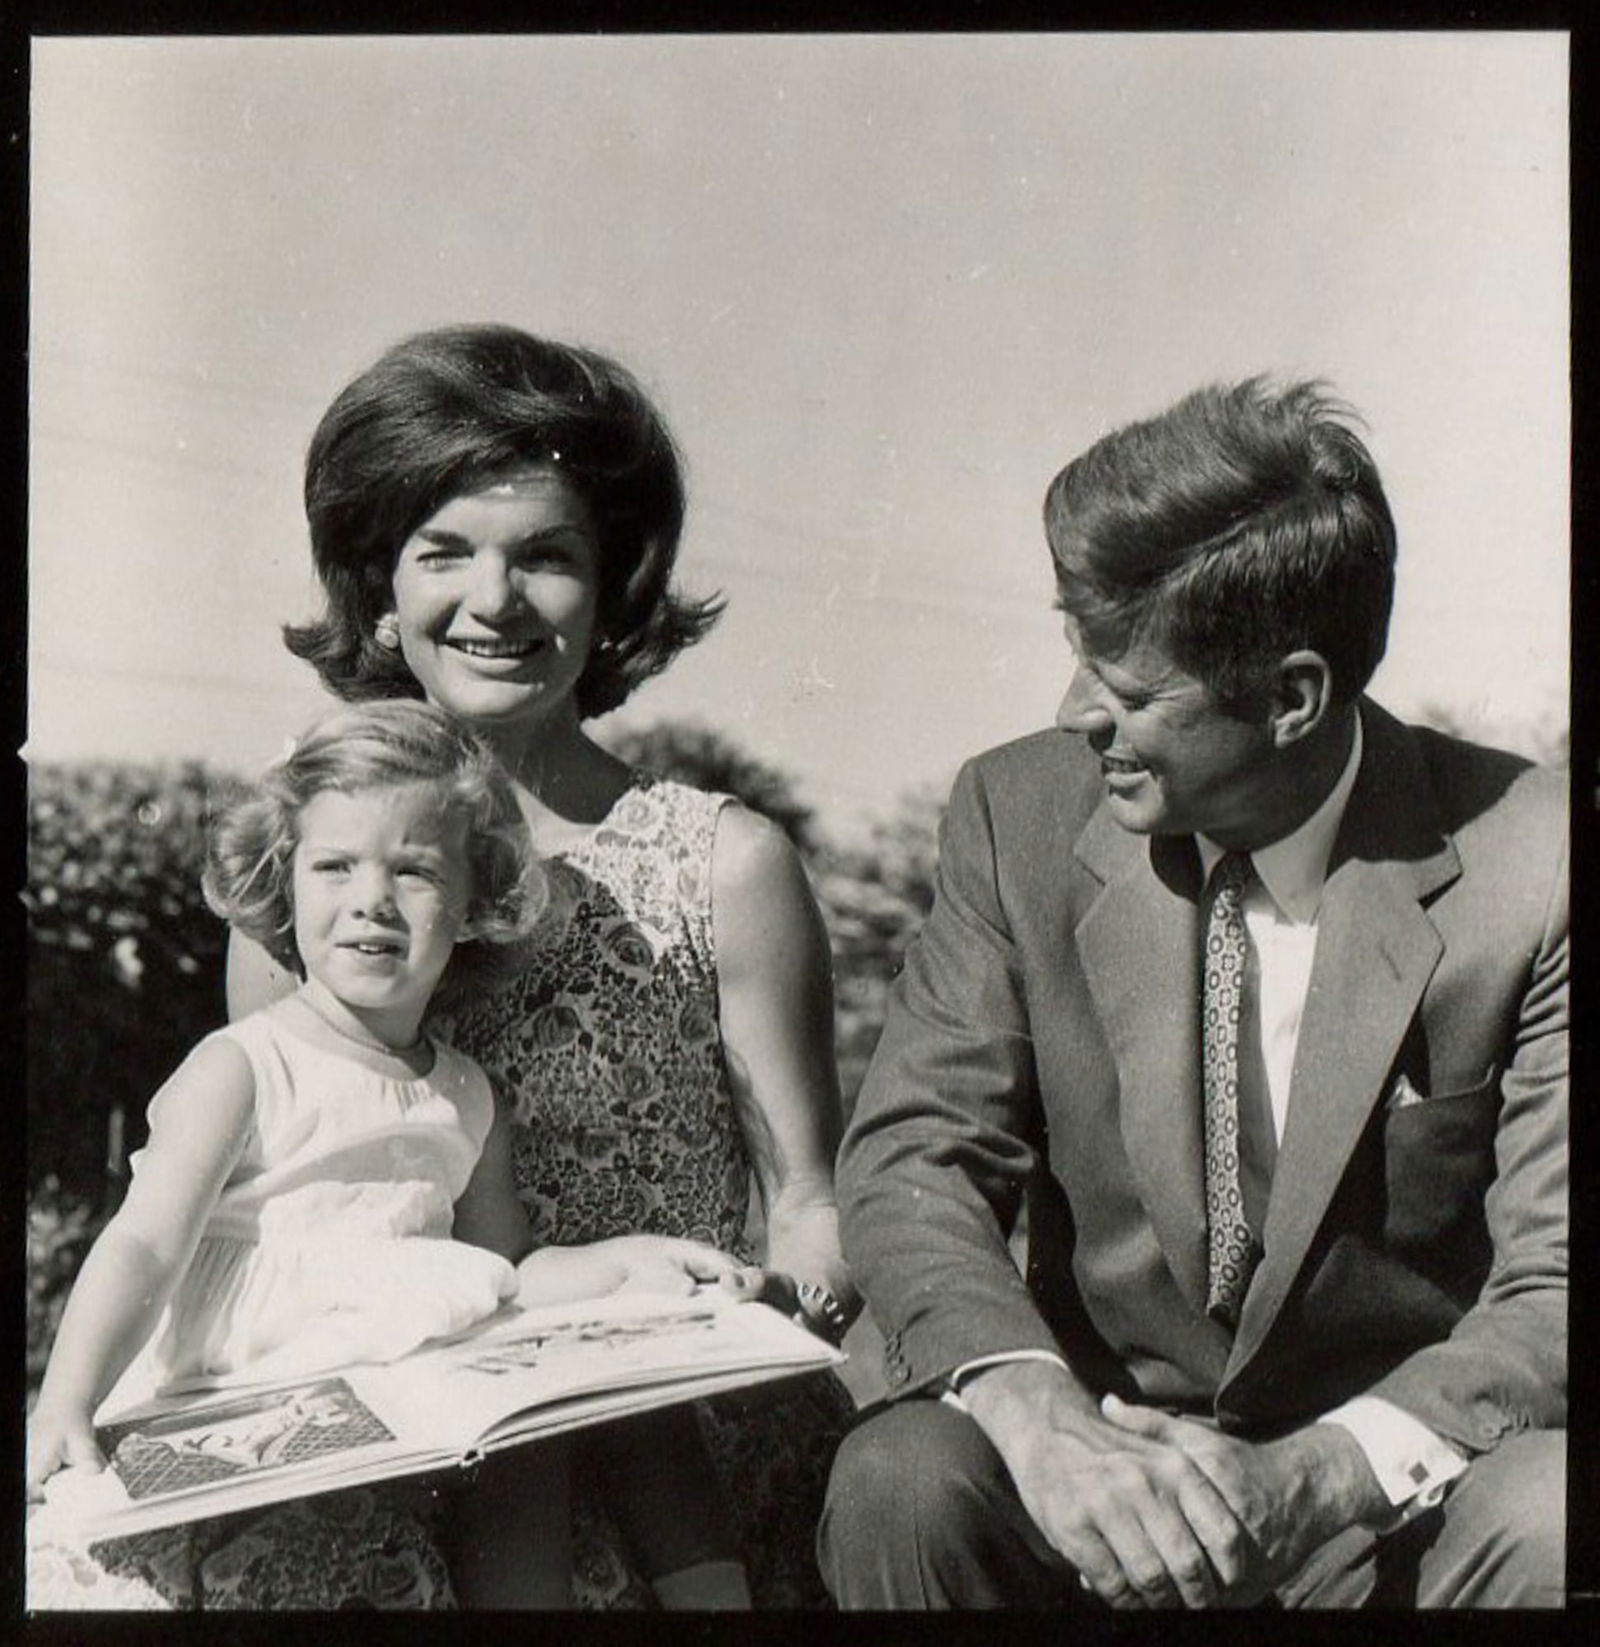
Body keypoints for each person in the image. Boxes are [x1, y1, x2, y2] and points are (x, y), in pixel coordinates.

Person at [820, 377, 1566, 1610]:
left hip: (1386, 1496)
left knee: (1552, 1513)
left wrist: (1317, 1480)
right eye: (1078, 658)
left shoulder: (1537, 858)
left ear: (1292, 698)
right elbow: (915, 1159)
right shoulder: (1015, 815)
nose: (1074, 716)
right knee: (905, 1477)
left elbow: (1555, 1283)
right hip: (1094, 1461)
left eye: (1126, 691)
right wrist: (1039, 1419)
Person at [228, 324, 858, 1608]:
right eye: (443, 551)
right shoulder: (305, 871)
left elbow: (812, 1201)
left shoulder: (723, 865)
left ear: (615, 585)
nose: (494, 601)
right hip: (409, 1429)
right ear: (377, 586)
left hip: (678, 1443)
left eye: (548, 556)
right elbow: (278, 1211)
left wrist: (776, 1302)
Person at [27, 699, 753, 1610]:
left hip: (399, 1410)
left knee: (532, 1439)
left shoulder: (463, 1093)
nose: (370, 897)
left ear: (475, 903)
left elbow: (510, 1271)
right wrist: (67, 1398)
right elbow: (144, 1245)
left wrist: (632, 1261)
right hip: (256, 1390)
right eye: (334, 866)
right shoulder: (246, 1065)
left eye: (413, 870)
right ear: (281, 883)